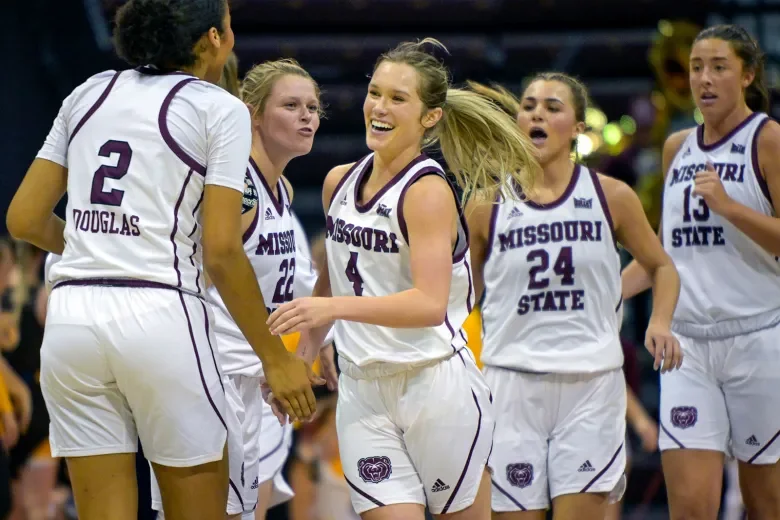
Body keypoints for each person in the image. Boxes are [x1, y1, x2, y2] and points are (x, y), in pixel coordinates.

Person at [5, 0, 316, 518]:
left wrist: (100, 247)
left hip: (72, 321)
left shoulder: (88, 92)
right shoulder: (219, 107)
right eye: (230, 24)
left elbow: (24, 218)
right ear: (212, 40)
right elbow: (220, 250)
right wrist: (275, 357)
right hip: (160, 313)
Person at [266, 38, 541, 520]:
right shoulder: (338, 181)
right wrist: (305, 356)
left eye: (398, 98)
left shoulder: (427, 191)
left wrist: (332, 311)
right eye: (375, 93)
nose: (380, 107)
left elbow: (429, 304)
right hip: (362, 390)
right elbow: (332, 282)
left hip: (435, 386)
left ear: (429, 116)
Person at [465, 75, 682, 520]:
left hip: (591, 386)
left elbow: (662, 265)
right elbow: (460, 295)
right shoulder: (487, 205)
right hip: (511, 383)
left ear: (578, 127)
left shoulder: (611, 196)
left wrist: (658, 322)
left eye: (552, 106)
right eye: (529, 105)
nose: (537, 113)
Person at [152, 56, 326, 520]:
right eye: (291, 105)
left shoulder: (281, 190)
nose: (307, 115)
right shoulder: (238, 188)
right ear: (252, 113)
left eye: (313, 107)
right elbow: (194, 272)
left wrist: (316, 344)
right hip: (218, 380)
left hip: (263, 385)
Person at [621, 24, 780, 520]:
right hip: (687, 347)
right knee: (690, 508)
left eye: (719, 68)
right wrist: (604, 294)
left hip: (758, 341)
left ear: (748, 74)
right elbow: (664, 254)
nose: (704, 80)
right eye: (696, 69)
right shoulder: (677, 149)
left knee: (765, 505)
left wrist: (731, 208)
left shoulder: (769, 139)